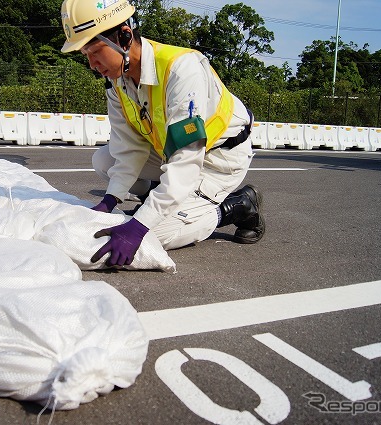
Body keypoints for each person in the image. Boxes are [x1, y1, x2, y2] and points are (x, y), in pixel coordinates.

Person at [60, 0, 265, 267]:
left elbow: (186, 163)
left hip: (216, 160)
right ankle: (168, 202)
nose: (91, 63)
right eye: (84, 54)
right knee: (104, 160)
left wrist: (140, 225)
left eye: (94, 50)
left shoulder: (182, 70)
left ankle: (238, 206)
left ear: (124, 37)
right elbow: (129, 149)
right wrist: (110, 201)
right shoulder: (117, 84)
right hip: (170, 154)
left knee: (156, 234)